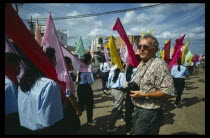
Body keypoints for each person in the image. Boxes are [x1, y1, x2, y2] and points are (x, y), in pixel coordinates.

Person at [130, 33, 176, 135]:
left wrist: (145, 94)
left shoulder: (159, 64)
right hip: (138, 109)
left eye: (145, 47)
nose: (141, 49)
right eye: (139, 46)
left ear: (154, 50)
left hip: (150, 112)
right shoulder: (142, 64)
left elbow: (169, 91)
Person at [18, 55, 63, 134]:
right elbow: (48, 122)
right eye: (53, 61)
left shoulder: (22, 82)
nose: (55, 63)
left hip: (24, 129)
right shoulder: (49, 84)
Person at [63, 56, 82, 134]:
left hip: (67, 105)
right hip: (70, 106)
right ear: (66, 65)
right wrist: (77, 109)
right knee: (74, 126)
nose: (72, 65)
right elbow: (70, 96)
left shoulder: (64, 74)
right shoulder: (66, 76)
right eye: (70, 63)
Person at [77, 53, 96, 125]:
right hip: (86, 88)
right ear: (88, 61)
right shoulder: (88, 69)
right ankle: (89, 120)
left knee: (81, 105)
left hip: (80, 87)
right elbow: (91, 81)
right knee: (89, 105)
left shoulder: (80, 67)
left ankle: (76, 119)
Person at [5, 52, 22, 134]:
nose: (19, 68)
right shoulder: (9, 84)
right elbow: (11, 113)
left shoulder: (15, 80)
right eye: (16, 65)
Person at [124, 54, 141, 135]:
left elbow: (126, 81)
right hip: (139, 92)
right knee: (139, 110)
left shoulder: (128, 69)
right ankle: (137, 128)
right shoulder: (140, 70)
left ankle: (128, 129)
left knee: (128, 111)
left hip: (129, 91)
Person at [106, 66, 126, 133]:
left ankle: (121, 116)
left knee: (117, 105)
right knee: (116, 109)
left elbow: (108, 83)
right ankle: (110, 127)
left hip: (113, 91)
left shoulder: (113, 72)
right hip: (119, 91)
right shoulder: (122, 74)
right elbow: (123, 85)